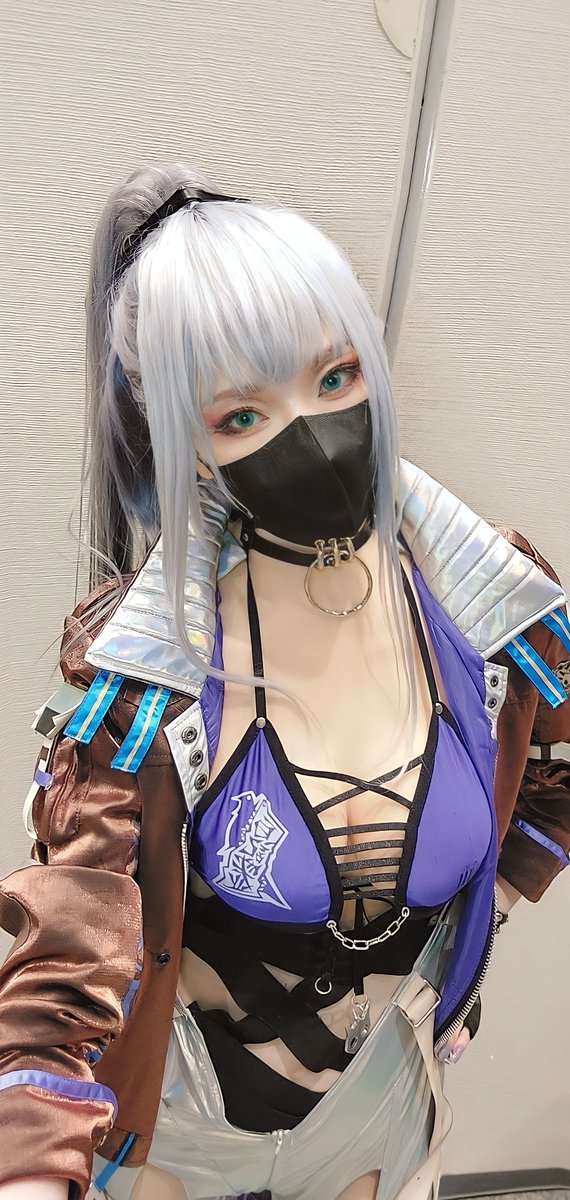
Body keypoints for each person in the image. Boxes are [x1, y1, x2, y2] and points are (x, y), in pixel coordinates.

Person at [0, 163, 569, 1200]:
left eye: (336, 378)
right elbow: (66, 946)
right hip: (184, 1122)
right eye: (241, 417)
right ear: (189, 449)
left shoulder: (498, 612)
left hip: (384, 1106)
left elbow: (556, 770)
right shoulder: (144, 680)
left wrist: (491, 900)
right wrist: (32, 1160)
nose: (311, 431)